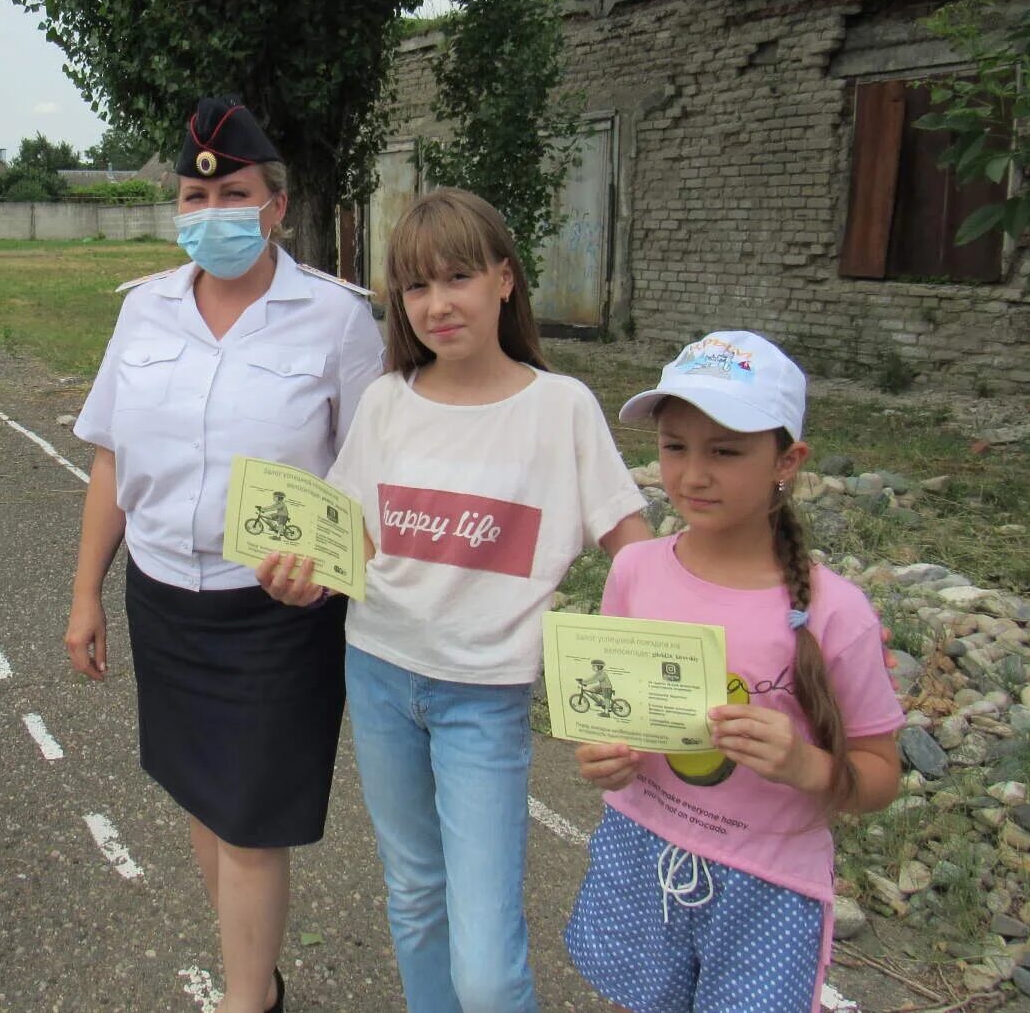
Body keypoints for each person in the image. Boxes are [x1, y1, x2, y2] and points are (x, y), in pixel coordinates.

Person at [259, 187, 650, 1012]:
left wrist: (664, 677)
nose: (438, 305)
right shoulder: (385, 402)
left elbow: (637, 554)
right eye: (415, 287)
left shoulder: (562, 407)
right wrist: (300, 579)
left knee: (486, 961)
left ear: (505, 280)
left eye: (459, 278)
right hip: (378, 676)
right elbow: (354, 544)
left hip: (485, 700)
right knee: (412, 896)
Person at [65, 96, 384, 1013]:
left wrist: (327, 568)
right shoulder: (146, 313)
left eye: (233, 195)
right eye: (194, 202)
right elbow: (110, 459)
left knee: (250, 824)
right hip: (164, 597)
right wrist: (86, 593)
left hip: (275, 612)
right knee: (204, 799)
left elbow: (370, 478)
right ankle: (256, 969)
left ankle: (250, 1000)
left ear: (276, 205)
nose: (211, 217)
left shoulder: (334, 321)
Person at [563, 331, 903, 1012]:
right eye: (674, 447)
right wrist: (602, 757)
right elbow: (607, 717)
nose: (691, 475)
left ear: (788, 459)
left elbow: (880, 775)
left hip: (766, 886)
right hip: (639, 853)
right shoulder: (634, 570)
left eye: (725, 451)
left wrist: (808, 767)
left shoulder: (838, 613)